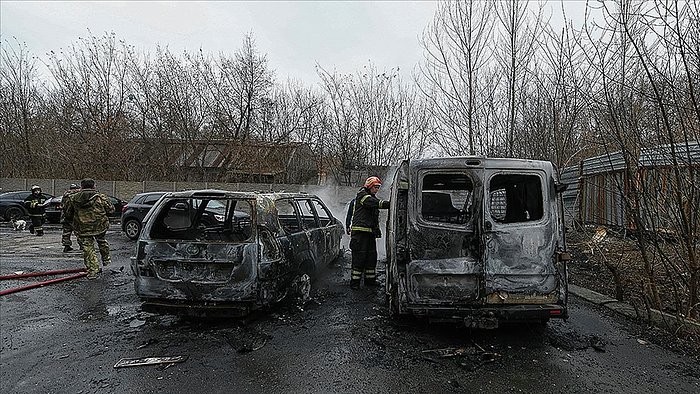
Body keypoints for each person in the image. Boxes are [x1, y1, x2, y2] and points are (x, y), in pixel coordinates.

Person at [64, 178, 115, 279]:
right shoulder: (101, 197)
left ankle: (92, 270)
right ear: (94, 186)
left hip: (82, 227)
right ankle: (106, 259)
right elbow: (111, 210)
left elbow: (68, 213)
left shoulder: (73, 198)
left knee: (88, 248)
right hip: (100, 225)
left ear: (81, 186)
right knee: (102, 241)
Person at [348, 176, 390, 289]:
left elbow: (373, 217)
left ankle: (370, 281)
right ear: (370, 186)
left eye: (378, 187)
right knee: (359, 258)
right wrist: (391, 204)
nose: (377, 189)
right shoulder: (362, 196)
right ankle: (354, 283)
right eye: (375, 187)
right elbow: (375, 203)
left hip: (370, 233)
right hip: (360, 234)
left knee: (371, 257)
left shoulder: (371, 197)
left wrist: (376, 230)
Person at [60, 183, 81, 252]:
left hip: (65, 217)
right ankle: (82, 245)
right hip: (75, 217)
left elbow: (62, 205)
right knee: (79, 232)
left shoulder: (65, 195)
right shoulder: (77, 196)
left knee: (66, 232)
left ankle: (66, 246)